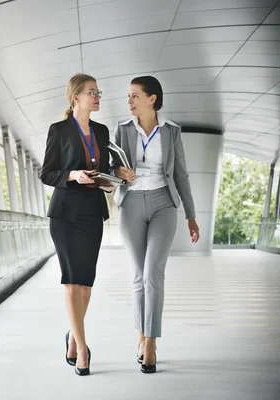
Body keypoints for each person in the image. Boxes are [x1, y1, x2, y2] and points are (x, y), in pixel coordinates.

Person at [111, 76, 200, 373]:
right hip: (131, 203)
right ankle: (141, 336)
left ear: (152, 98)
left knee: (153, 273)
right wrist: (120, 171)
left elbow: (181, 174)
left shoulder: (171, 131)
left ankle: (151, 341)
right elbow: (110, 166)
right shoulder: (122, 129)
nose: (129, 101)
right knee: (138, 276)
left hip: (164, 202)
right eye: (128, 96)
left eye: (135, 96)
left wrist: (190, 214)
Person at [40, 73, 111, 376]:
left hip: (93, 213)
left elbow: (104, 169)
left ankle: (72, 334)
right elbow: (47, 173)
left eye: (98, 91)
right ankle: (82, 348)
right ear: (76, 97)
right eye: (92, 92)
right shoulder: (59, 130)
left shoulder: (102, 131)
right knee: (71, 281)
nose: (97, 96)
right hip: (66, 215)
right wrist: (73, 175)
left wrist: (110, 181)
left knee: (86, 285)